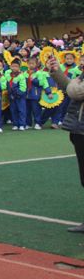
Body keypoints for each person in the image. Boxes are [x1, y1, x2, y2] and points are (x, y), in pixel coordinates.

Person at [47, 56, 84, 232]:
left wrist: (76, 80)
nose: (82, 63)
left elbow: (76, 92)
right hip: (79, 130)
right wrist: (57, 72)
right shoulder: (81, 78)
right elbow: (72, 87)